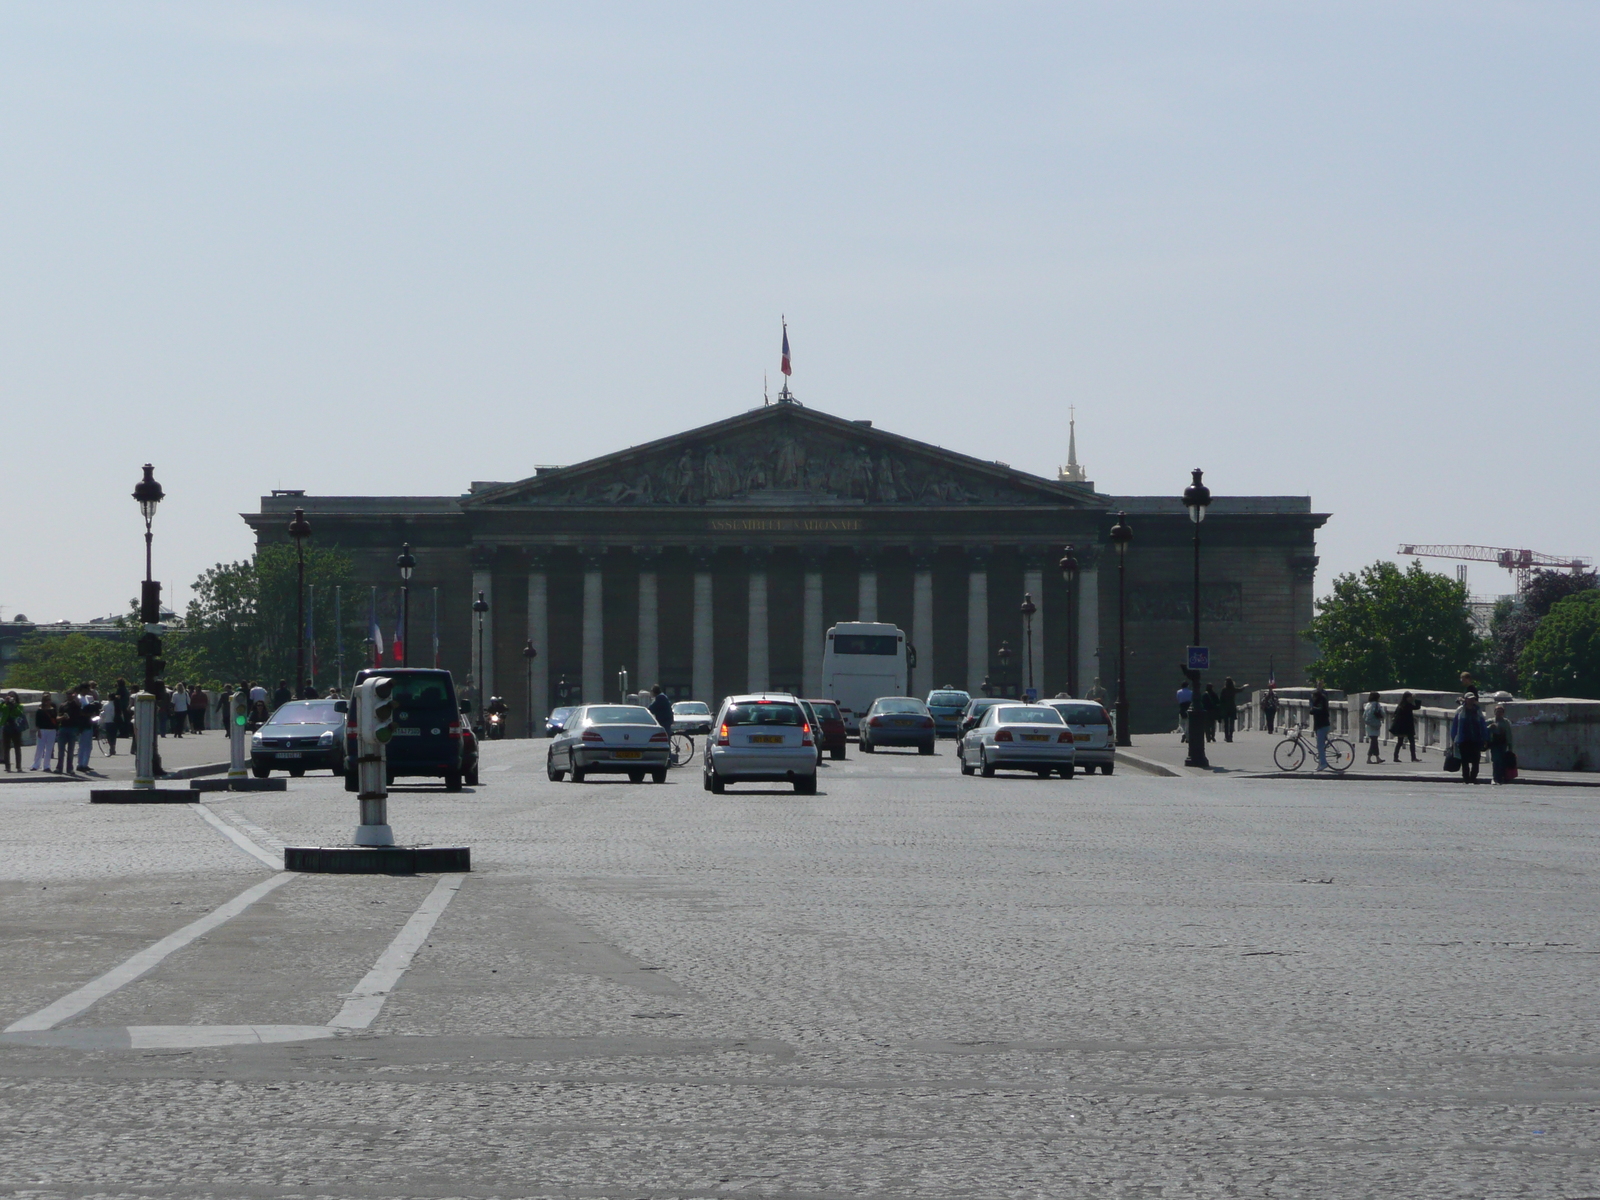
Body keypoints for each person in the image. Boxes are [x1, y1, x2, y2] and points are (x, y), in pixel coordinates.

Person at [1450, 692, 1489, 784]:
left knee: (1476, 760)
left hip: (1476, 739)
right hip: (1463, 739)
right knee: (1464, 760)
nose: (1472, 701)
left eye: (1473, 699)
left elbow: (1483, 724)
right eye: (1470, 699)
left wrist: (1485, 738)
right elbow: (1455, 725)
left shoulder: (1478, 710)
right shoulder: (1460, 710)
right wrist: (1454, 738)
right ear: (1466, 700)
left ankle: (1473, 777)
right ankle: (1466, 778)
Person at [1489, 703, 1515, 784]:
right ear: (1494, 712)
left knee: (1502, 761)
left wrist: (1510, 746)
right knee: (1495, 761)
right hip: (1494, 744)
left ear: (1503, 713)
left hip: (1503, 744)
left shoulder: (1506, 722)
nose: (1498, 713)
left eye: (1500, 711)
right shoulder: (1491, 721)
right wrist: (1489, 727)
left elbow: (1509, 734)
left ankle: (1502, 777)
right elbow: (1482, 729)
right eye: (1497, 711)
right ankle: (1495, 778)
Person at [30, 694, 57, 771]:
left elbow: (55, 720)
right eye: (45, 700)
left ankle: (46, 765)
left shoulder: (53, 709)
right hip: (42, 730)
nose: (47, 702)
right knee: (39, 748)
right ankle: (35, 765)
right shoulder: (40, 710)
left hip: (51, 730)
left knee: (49, 748)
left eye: (48, 700)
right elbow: (37, 722)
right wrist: (38, 730)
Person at [1389, 692, 1418, 762]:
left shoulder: (1401, 705)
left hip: (1401, 727)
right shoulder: (1407, 705)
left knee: (1400, 742)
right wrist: (1415, 700)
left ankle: (1395, 757)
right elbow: (1417, 707)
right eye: (1410, 697)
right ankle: (1413, 758)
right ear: (1407, 698)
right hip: (1407, 726)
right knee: (1411, 741)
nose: (1411, 698)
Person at [1219, 678, 1250, 742]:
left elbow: (1221, 700)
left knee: (1226, 723)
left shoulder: (1224, 690)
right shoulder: (1233, 689)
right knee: (1232, 723)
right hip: (1232, 708)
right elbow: (1240, 689)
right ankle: (1230, 736)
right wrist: (1244, 686)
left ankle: (1226, 736)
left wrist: (1221, 708)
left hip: (1225, 708)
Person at [1309, 682, 1331, 771]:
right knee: (1319, 745)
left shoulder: (1321, 701)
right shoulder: (1321, 700)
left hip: (1322, 725)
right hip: (1320, 725)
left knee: (1320, 746)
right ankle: (1320, 762)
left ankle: (1323, 763)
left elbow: (1320, 710)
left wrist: (1313, 709)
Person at [0, 691, 24, 772]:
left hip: (16, 728)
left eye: (13, 697)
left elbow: (19, 713)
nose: (11, 698)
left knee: (17, 748)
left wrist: (14, 705)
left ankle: (19, 766)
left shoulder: (19, 706)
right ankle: (7, 766)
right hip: (6, 727)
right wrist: (5, 702)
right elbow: (1, 709)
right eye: (9, 696)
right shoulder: (4, 705)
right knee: (6, 748)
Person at [1362, 691, 1385, 764]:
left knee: (1374, 742)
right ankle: (1369, 758)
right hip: (1375, 724)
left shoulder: (1367, 705)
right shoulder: (1377, 705)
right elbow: (1383, 714)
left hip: (1368, 725)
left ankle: (1377, 757)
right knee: (1374, 742)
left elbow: (1363, 716)